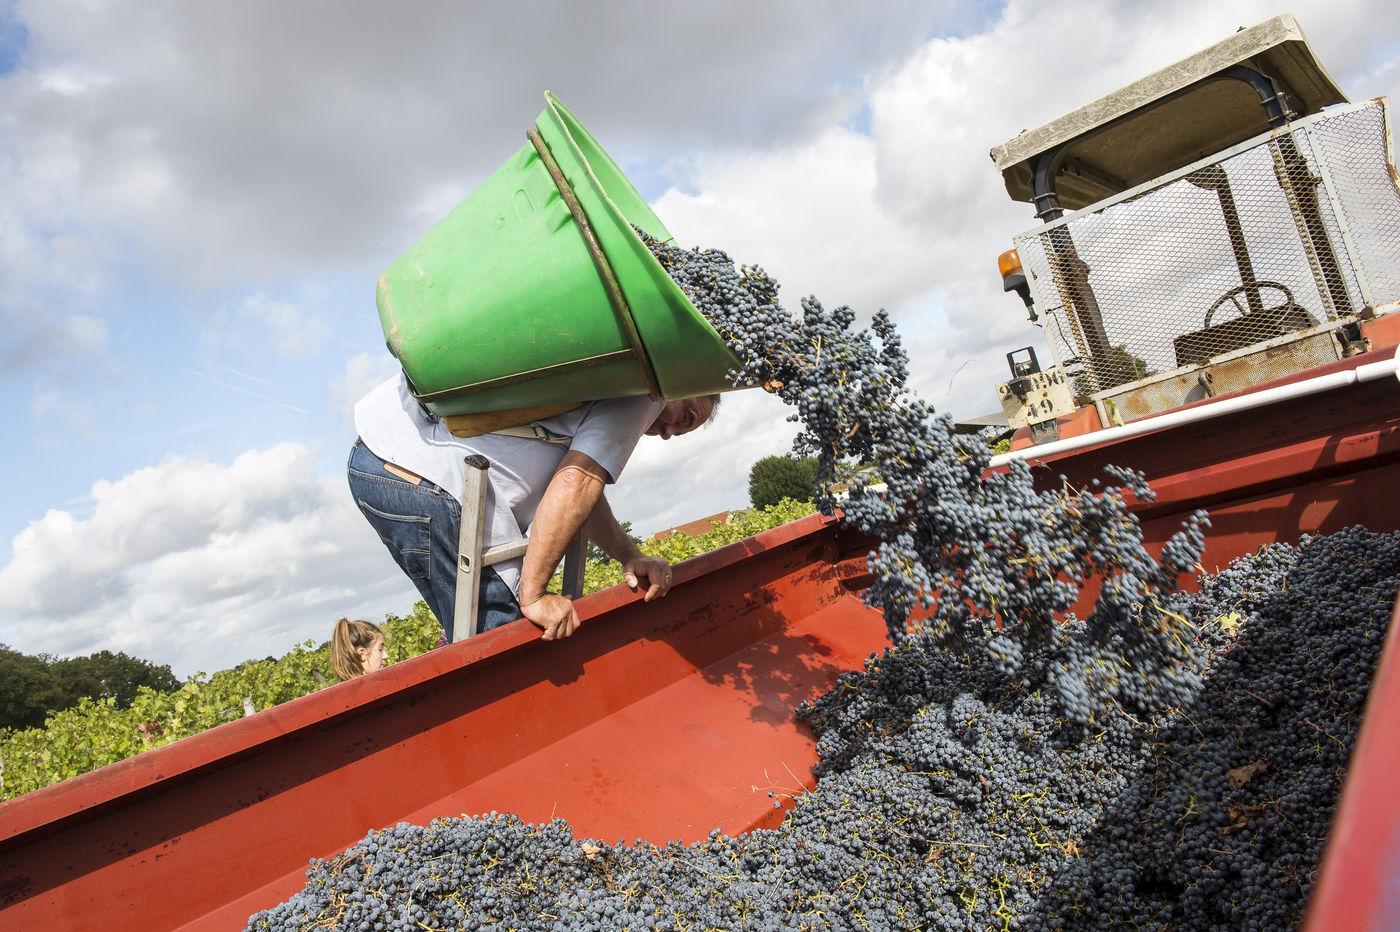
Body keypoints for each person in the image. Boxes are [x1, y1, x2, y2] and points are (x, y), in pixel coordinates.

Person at [348, 370, 718, 643]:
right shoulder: (648, 391)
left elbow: (582, 491)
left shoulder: (613, 380)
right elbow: (576, 482)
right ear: (682, 382)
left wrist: (629, 555)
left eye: (679, 432)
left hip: (385, 458)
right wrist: (534, 595)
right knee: (502, 636)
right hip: (420, 475)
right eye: (685, 418)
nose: (667, 432)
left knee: (475, 634)